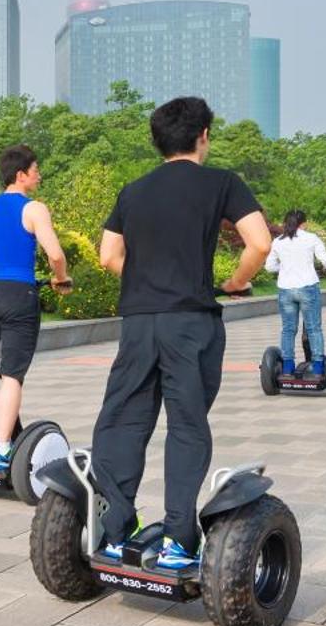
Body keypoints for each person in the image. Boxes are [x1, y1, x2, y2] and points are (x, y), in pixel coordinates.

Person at [91, 97, 271, 570]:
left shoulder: (133, 190)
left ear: (157, 141)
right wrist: (235, 281)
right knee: (186, 424)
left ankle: (114, 533)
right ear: (204, 135)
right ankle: (177, 540)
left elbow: (109, 256)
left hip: (138, 323)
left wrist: (147, 279)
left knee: (124, 419)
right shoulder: (222, 182)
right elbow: (261, 242)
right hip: (191, 322)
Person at [0, 143, 73, 473]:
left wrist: (0, 272)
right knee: (11, 374)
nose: (39, 175)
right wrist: (60, 279)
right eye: (35, 170)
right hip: (19, 296)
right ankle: (3, 449)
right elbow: (56, 255)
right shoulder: (34, 209)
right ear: (21, 175)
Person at [265, 209, 326, 376]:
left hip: (286, 290)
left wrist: (284, 268)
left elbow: (269, 267)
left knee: (288, 329)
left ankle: (288, 367)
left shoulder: (278, 241)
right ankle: (318, 367)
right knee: (313, 328)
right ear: (303, 223)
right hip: (307, 288)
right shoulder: (311, 238)